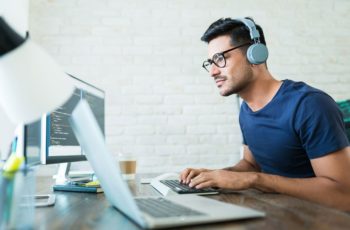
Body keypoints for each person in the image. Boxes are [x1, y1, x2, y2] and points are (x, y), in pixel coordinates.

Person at [179, 17, 350, 211]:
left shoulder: (310, 105)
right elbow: (251, 165)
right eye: (210, 62)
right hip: (275, 214)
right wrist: (214, 175)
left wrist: (254, 180)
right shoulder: (246, 109)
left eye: (220, 58)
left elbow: (343, 195)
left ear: (255, 55)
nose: (212, 71)